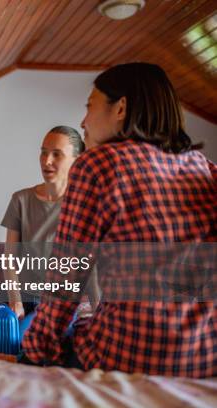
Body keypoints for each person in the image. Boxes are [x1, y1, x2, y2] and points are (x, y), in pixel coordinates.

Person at [22, 63, 216, 377]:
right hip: (204, 355)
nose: (83, 121)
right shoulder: (204, 167)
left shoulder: (98, 164)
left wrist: (33, 355)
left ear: (121, 108)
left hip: (132, 354)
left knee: (71, 334)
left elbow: (67, 276)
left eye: (90, 107)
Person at [1, 126, 84, 318]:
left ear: (77, 160)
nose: (47, 161)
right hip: (26, 300)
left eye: (57, 154)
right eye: (44, 153)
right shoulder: (20, 200)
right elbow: (9, 258)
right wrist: (16, 302)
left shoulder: (84, 202)